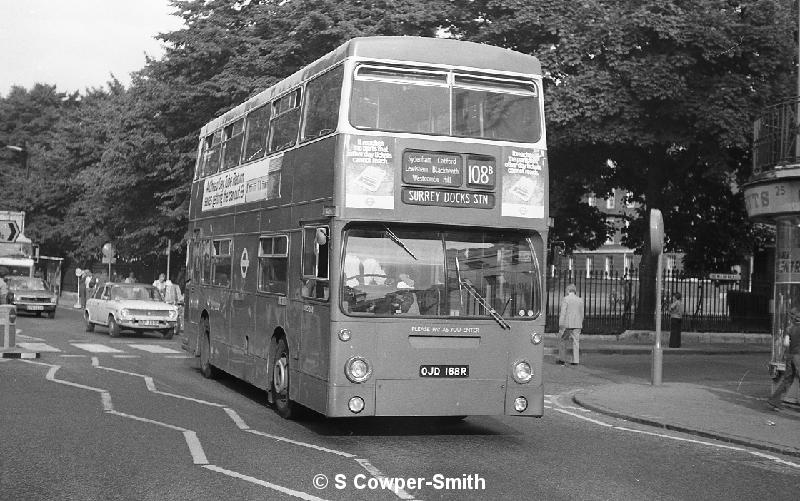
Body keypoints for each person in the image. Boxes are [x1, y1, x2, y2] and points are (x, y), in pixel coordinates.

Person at [768, 307, 800, 410]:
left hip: (790, 356)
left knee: (787, 379)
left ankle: (774, 401)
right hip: (798, 356)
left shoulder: (789, 328)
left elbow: (786, 343)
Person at [558, 284, 584, 365]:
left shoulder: (566, 299)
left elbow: (563, 312)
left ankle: (562, 359)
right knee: (576, 342)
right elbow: (582, 313)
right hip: (577, 324)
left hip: (568, 324)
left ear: (568, 290)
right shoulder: (580, 300)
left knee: (563, 340)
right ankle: (576, 360)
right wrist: (581, 321)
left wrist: (560, 323)